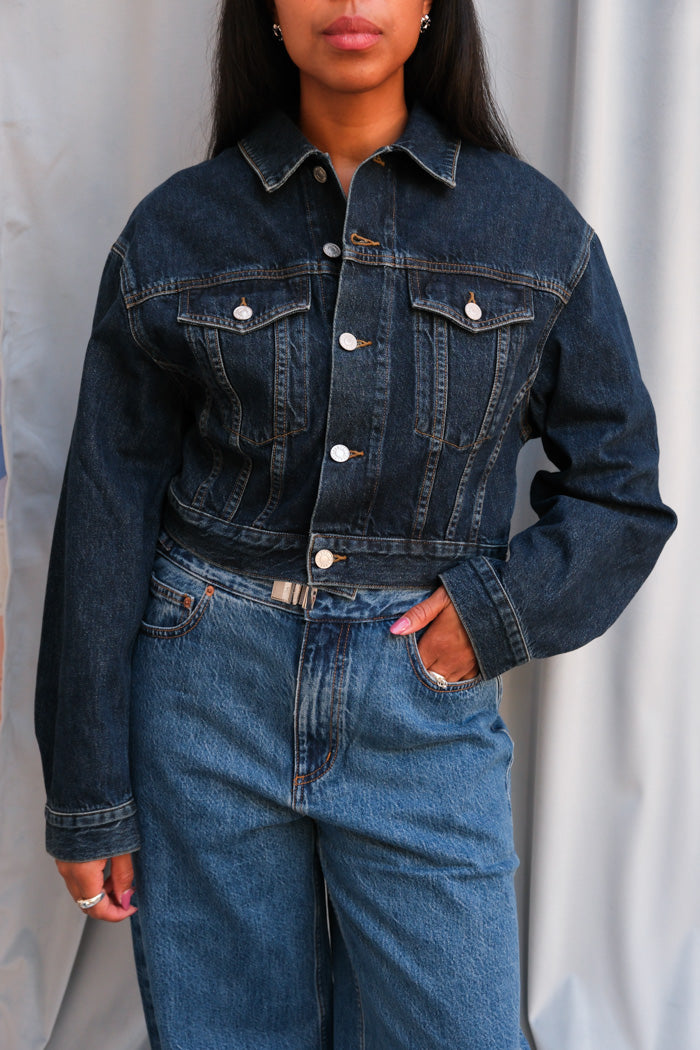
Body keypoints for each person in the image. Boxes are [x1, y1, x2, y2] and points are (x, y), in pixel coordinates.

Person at [34, 1, 676, 1047]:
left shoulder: (530, 230)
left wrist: (492, 615)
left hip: (420, 705)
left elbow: (621, 489)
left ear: (428, 10)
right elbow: (106, 514)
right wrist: (87, 791)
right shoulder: (176, 230)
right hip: (205, 697)